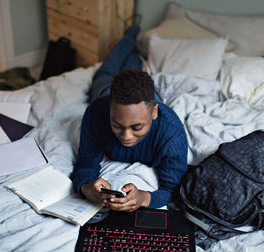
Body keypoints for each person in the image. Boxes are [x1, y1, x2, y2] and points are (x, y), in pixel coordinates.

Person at [71, 25, 188, 212]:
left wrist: (143, 198)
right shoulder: (96, 113)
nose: (126, 136)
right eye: (117, 125)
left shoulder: (171, 134)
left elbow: (174, 189)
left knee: (133, 65)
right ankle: (129, 37)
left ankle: (134, 49)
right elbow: (84, 166)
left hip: (144, 97)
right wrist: (89, 190)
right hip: (106, 89)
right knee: (105, 72)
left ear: (154, 113)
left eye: (137, 127)